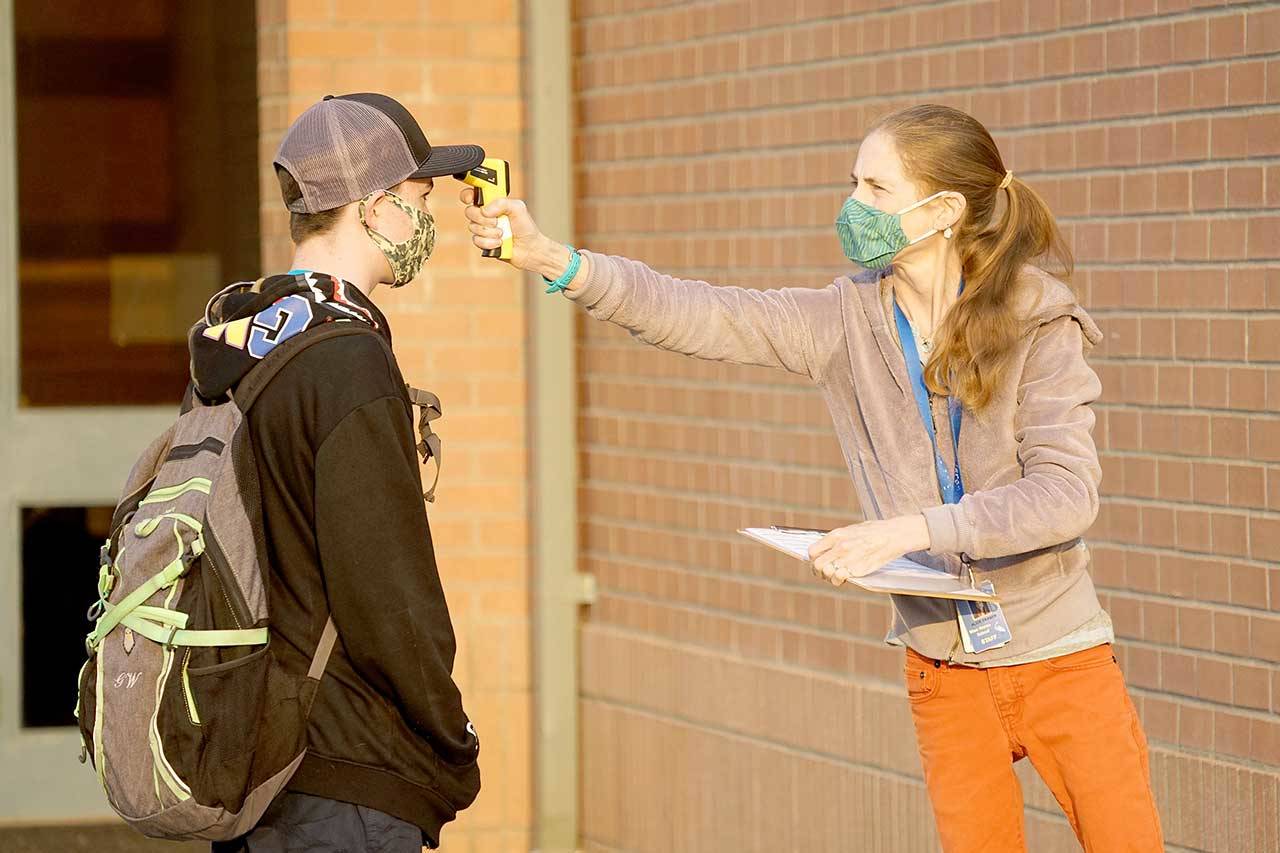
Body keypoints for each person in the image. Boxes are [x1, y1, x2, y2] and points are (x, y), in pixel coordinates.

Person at [462, 103, 1163, 851]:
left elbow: (1065, 492)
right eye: (852, 183)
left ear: (945, 210)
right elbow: (705, 313)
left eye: (876, 188)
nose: (854, 205)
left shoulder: (1038, 322)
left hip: (1061, 656)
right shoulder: (846, 318)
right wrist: (557, 262)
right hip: (943, 668)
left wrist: (912, 529)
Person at [199, 93, 483, 852]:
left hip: (257, 760)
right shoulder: (348, 360)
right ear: (375, 206)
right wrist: (453, 740)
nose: (426, 220)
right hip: (345, 780)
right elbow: (389, 595)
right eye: (420, 199)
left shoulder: (244, 344)